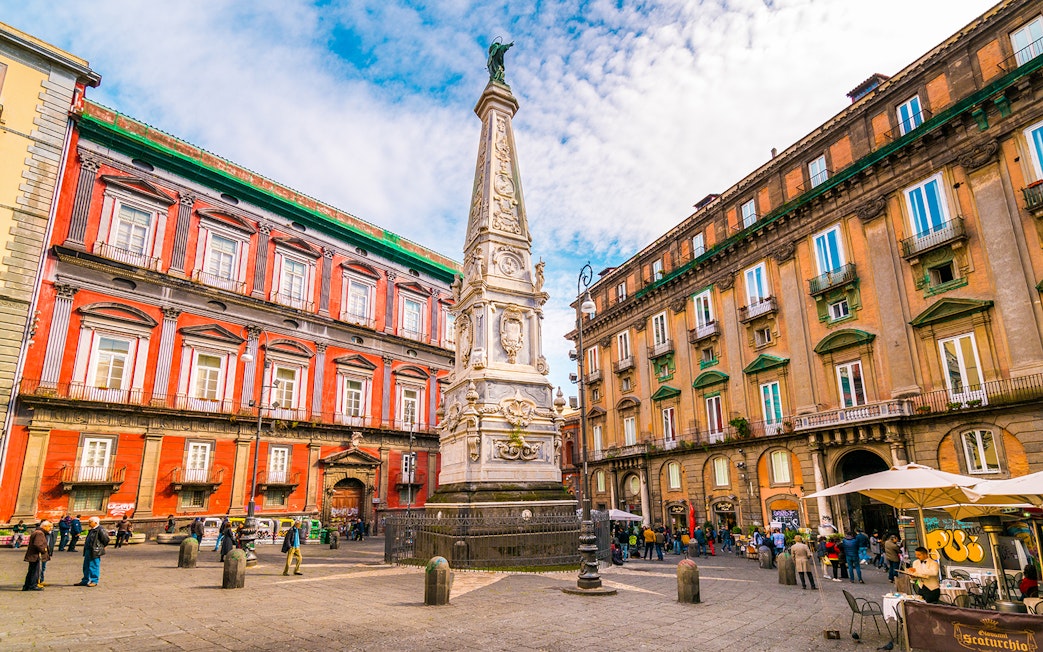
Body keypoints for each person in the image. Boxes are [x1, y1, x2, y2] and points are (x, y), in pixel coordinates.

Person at [76, 516, 109, 587]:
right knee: (86, 566)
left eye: (90, 522)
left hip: (95, 551)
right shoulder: (92, 530)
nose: (89, 523)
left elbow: (106, 539)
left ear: (96, 522)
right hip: (89, 550)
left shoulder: (100, 529)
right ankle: (85, 580)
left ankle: (94, 580)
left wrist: (101, 547)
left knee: (94, 565)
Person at [22, 520, 52, 591]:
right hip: (35, 555)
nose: (51, 528)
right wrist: (43, 550)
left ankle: (27, 585)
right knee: (35, 571)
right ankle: (32, 585)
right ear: (44, 527)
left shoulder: (38, 532)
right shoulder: (40, 533)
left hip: (33, 555)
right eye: (49, 526)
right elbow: (37, 544)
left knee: (32, 570)